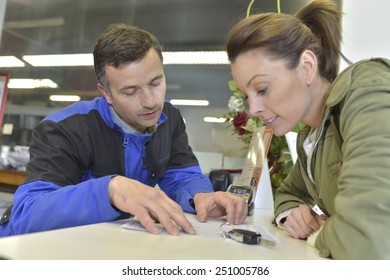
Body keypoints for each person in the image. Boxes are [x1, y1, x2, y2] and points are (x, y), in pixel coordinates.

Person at [0, 23, 248, 237]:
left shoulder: (168, 118)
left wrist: (200, 196)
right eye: (131, 92)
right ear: (106, 92)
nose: (150, 101)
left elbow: (182, 175)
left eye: (156, 82)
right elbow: (27, 214)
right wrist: (110, 190)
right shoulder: (63, 129)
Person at [225, 0, 390, 259]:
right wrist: (291, 214)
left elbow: (367, 237)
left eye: (263, 89)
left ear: (307, 67)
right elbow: (289, 193)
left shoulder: (363, 91)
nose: (254, 108)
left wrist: (320, 235)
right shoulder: (309, 137)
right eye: (248, 96)